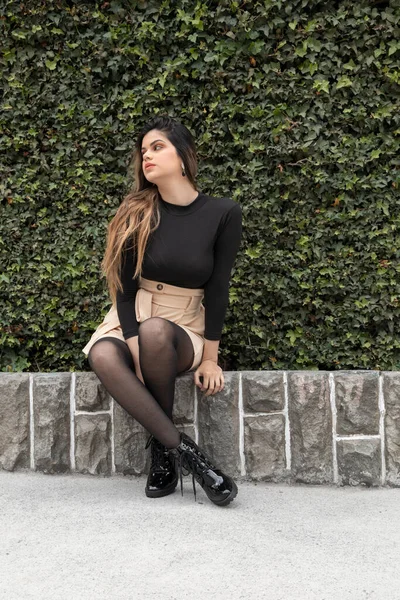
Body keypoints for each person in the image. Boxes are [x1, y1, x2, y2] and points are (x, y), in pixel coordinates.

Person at [82, 115, 243, 507]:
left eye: (157, 147)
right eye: (143, 152)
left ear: (184, 156)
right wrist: (132, 343)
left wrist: (211, 359)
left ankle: (164, 450)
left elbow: (218, 288)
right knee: (103, 352)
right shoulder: (135, 210)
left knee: (157, 331)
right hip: (131, 315)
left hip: (184, 321)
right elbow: (123, 287)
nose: (147, 157)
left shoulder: (223, 212)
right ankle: (181, 450)